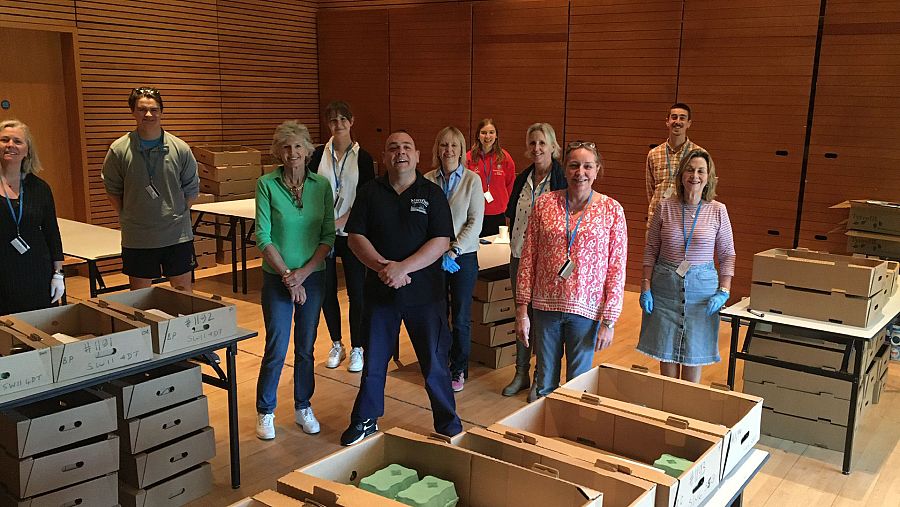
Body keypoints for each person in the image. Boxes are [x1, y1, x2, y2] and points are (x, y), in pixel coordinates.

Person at [340, 130, 462, 446]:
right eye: (393, 148)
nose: (400, 153)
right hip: (381, 293)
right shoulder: (369, 192)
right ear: (385, 156)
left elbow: (441, 241)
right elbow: (355, 238)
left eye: (407, 147)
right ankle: (365, 420)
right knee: (375, 361)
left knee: (435, 364)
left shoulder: (432, 193)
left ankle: (448, 425)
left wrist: (402, 268)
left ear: (418, 156)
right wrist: (385, 268)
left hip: (426, 296)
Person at [515, 141, 627, 399]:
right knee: (544, 381)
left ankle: (570, 434)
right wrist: (522, 308)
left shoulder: (612, 210)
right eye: (574, 166)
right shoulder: (544, 204)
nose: (581, 173)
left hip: (585, 311)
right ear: (565, 170)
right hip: (545, 308)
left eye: (588, 166)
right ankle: (541, 433)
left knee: (578, 385)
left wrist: (609, 320)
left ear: (597, 170)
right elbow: (528, 256)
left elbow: (616, 267)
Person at [254, 121, 336, 440]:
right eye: (286, 147)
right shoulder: (266, 184)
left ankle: (303, 405)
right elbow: (262, 236)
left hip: (313, 279)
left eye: (298, 146)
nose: (292, 153)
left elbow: (328, 236)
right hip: (277, 278)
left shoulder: (321, 186)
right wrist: (289, 277)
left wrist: (303, 274)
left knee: (306, 347)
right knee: (277, 345)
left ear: (308, 150)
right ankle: (266, 411)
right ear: (278, 151)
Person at [637, 149, 735, 382]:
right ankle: (667, 406)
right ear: (681, 175)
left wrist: (724, 291)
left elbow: (727, 253)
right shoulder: (665, 206)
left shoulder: (717, 210)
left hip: (701, 294)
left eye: (701, 170)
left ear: (709, 177)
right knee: (667, 356)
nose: (695, 175)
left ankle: (688, 408)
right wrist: (645, 287)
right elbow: (651, 249)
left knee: (694, 355)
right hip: (665, 289)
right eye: (690, 170)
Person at [101, 87, 199, 291]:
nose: (148, 114)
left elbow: (191, 189)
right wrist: (127, 215)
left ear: (161, 112)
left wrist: (176, 214)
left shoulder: (180, 148)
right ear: (133, 112)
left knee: (183, 292)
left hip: (176, 235)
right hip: (138, 236)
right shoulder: (119, 149)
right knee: (140, 295)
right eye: (142, 109)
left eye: (154, 109)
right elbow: (112, 189)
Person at [308, 101, 376, 373]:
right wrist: (326, 224)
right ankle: (337, 343)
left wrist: (342, 221)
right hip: (323, 232)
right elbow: (310, 192)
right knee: (326, 292)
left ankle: (358, 346)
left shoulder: (363, 157)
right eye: (332, 120)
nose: (338, 125)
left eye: (342, 119)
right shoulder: (316, 156)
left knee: (357, 292)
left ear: (351, 121)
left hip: (352, 231)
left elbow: (366, 198)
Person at [501, 123, 567, 401]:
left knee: (542, 320)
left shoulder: (561, 179)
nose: (537, 148)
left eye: (542, 143)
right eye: (532, 144)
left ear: (553, 147)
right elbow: (510, 216)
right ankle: (520, 372)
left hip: (547, 262)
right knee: (522, 316)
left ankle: (542, 376)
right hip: (519, 256)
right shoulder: (522, 179)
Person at [424, 126, 484, 392]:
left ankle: (458, 368)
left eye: (454, 146)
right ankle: (439, 364)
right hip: (433, 258)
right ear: (437, 148)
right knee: (437, 314)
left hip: (463, 257)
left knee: (459, 317)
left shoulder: (472, 180)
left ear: (462, 151)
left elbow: (475, 221)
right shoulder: (426, 180)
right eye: (444, 145)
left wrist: (455, 248)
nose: (448, 150)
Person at [0, 120, 64, 315]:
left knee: (40, 333)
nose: (10, 145)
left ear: (27, 150)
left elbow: (52, 233)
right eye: (4, 140)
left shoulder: (40, 188)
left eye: (17, 141)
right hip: (3, 276)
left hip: (37, 274)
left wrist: (58, 275)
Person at [646, 103, 704, 224]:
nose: (677, 121)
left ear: (689, 123)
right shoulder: (654, 154)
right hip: (657, 218)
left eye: (682, 118)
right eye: (674, 117)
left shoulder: (699, 154)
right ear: (667, 121)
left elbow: (704, 190)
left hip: (685, 219)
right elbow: (650, 189)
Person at [466, 118, 515, 237]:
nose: (487, 136)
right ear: (478, 136)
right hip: (475, 212)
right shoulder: (469, 158)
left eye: (491, 132)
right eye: (483, 133)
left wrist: (508, 209)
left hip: (499, 213)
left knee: (495, 251)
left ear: (496, 135)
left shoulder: (504, 158)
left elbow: (511, 184)